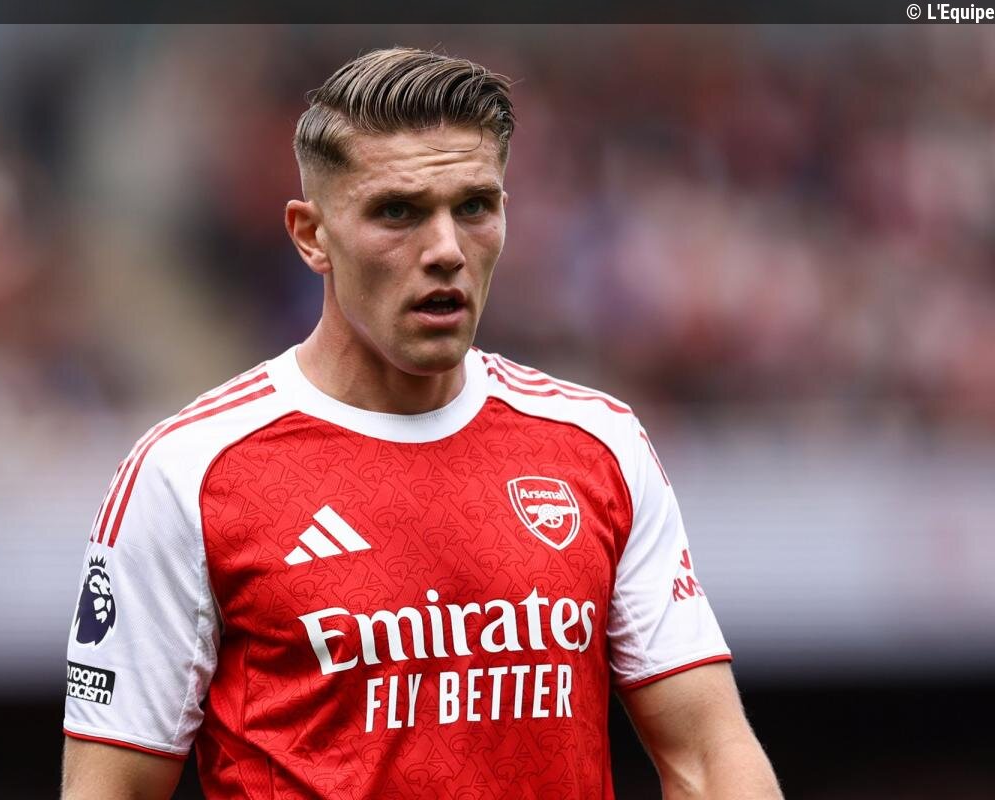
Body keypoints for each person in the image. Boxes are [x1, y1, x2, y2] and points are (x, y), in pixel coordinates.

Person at [61, 46, 783, 799]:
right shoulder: (191, 473)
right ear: (312, 235)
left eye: (473, 207)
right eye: (397, 212)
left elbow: (709, 759)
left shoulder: (596, 445)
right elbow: (111, 789)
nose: (445, 250)